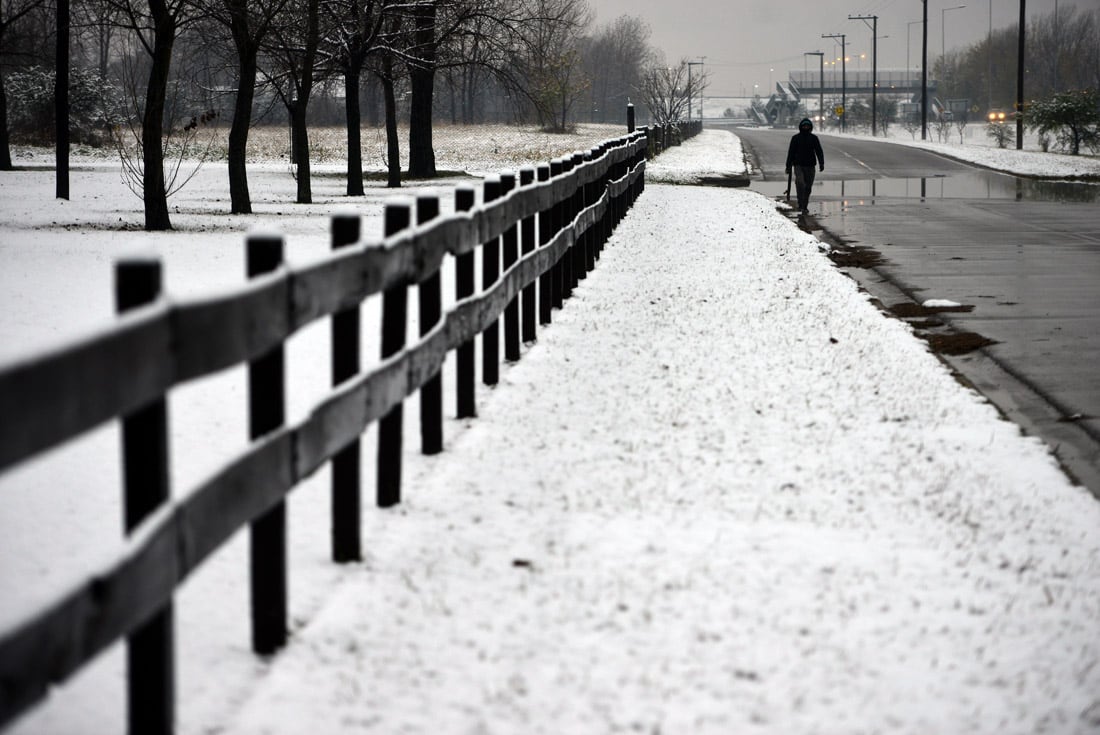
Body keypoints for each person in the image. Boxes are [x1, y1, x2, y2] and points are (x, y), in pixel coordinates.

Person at [785, 118, 825, 215]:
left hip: (810, 166)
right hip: (798, 165)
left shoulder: (814, 138)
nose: (806, 127)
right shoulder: (795, 138)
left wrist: (821, 163)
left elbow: (819, 151)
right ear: (801, 127)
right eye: (804, 126)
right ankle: (800, 202)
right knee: (800, 183)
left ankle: (804, 205)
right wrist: (788, 165)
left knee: (808, 186)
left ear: (810, 127)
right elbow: (791, 152)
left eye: (807, 126)